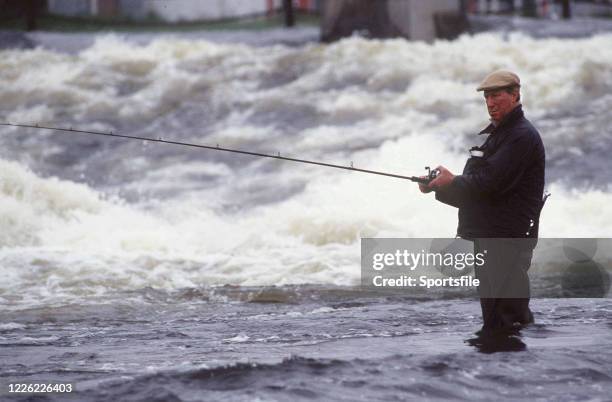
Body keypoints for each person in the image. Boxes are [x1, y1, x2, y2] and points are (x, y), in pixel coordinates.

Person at [418, 70, 546, 332]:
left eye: (497, 96)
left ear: (515, 95)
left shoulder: (521, 136)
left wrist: (452, 181)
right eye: (487, 97)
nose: (490, 103)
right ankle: (503, 368)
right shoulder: (498, 136)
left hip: (507, 240)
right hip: (491, 238)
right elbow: (478, 193)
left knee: (508, 319)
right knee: (498, 319)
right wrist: (437, 186)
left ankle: (517, 368)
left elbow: (488, 184)